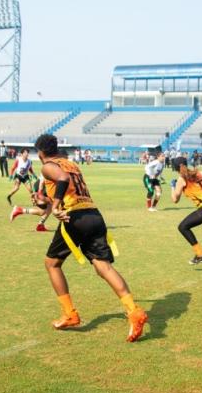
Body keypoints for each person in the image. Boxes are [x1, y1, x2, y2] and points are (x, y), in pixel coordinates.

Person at [33, 133, 148, 342]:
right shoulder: (71, 164)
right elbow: (67, 183)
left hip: (74, 217)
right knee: (103, 267)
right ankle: (134, 311)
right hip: (94, 215)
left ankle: (70, 314)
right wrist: (47, 200)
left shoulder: (48, 165)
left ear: (40, 152)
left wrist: (56, 205)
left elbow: (62, 179)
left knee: (52, 264)